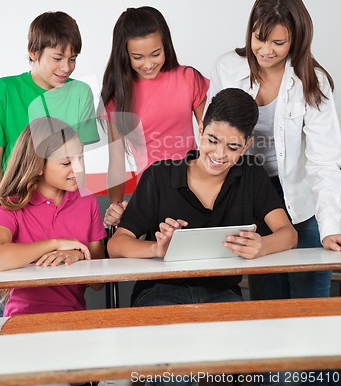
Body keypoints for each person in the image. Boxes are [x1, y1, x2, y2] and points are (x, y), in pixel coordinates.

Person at [207, 0, 341, 301]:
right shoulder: (228, 67)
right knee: (268, 301)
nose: (265, 50)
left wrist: (331, 226)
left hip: (302, 201)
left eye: (278, 43)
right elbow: (214, 138)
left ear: (296, 40)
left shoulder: (313, 81)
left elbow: (325, 160)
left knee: (310, 300)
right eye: (258, 38)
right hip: (253, 197)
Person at [107, 88, 297, 309]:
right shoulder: (160, 176)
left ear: (246, 145)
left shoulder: (252, 176)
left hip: (223, 294)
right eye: (212, 141)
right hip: (160, 292)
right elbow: (116, 244)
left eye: (233, 147)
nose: (219, 154)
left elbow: (289, 235)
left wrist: (262, 245)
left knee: (243, 338)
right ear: (200, 130)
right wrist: (157, 249)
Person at [0, 11, 100, 242]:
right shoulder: (4, 91)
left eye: (73, 58)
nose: (67, 67)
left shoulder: (81, 93)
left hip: (61, 219)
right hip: (11, 215)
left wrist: (76, 222)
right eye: (58, 58)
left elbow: (77, 166)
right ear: (33, 52)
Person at [98, 6, 209, 226]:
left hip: (197, 188)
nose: (148, 64)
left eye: (155, 54)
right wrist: (116, 206)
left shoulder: (188, 78)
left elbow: (213, 136)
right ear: (124, 54)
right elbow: (117, 161)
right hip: (151, 195)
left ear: (165, 45)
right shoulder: (119, 97)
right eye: (138, 57)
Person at [0, 117, 106, 316]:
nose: (79, 169)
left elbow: (98, 283)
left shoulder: (87, 202)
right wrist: (56, 243)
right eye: (67, 162)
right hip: (22, 320)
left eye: (80, 158)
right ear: (38, 166)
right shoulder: (10, 206)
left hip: (75, 320)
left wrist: (78, 255)